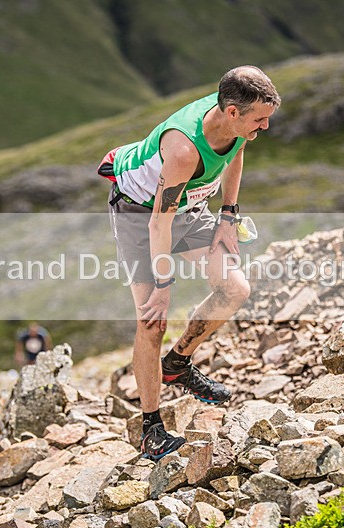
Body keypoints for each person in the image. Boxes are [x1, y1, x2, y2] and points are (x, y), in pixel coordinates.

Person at [99, 66, 280, 460]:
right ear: (232, 112)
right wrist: (164, 286)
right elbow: (158, 223)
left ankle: (177, 364)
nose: (264, 127)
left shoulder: (237, 125)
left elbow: (236, 155)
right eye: (259, 119)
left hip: (190, 205)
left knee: (235, 288)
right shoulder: (183, 151)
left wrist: (228, 217)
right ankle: (150, 429)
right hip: (141, 213)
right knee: (151, 321)